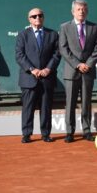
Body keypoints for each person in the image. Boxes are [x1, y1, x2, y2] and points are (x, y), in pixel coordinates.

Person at [15, 8, 61, 143]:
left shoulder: (52, 34)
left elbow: (57, 54)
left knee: (46, 107)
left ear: (43, 17)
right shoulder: (23, 35)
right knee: (28, 107)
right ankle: (26, 134)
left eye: (40, 15)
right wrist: (32, 69)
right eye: (34, 16)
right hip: (29, 78)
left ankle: (46, 134)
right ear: (29, 19)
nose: (37, 18)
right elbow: (19, 55)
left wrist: (48, 69)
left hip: (47, 77)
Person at [59, 0, 97, 143]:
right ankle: (69, 132)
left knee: (86, 102)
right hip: (71, 71)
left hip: (88, 71)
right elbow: (63, 49)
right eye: (78, 9)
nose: (81, 11)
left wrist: (88, 64)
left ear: (87, 11)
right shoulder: (65, 27)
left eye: (84, 9)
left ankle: (86, 130)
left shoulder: (94, 27)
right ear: (73, 12)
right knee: (70, 103)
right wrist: (78, 64)